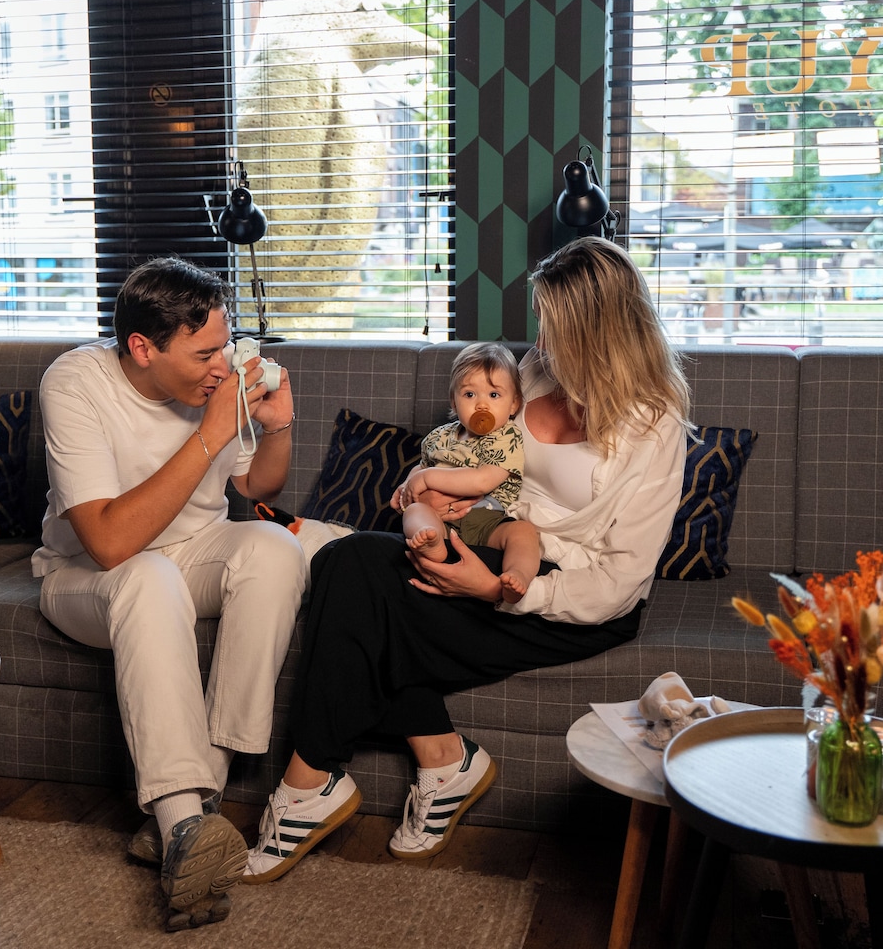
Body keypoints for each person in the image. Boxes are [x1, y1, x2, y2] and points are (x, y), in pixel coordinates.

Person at [242, 236, 692, 883]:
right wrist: (451, 500)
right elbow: (487, 458)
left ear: (600, 335)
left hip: (566, 591)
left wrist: (495, 590)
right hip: (490, 536)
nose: (541, 340)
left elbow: (620, 582)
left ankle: (311, 784)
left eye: (556, 326)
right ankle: (431, 762)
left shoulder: (655, 422)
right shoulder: (540, 367)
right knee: (347, 564)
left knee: (361, 586)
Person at [31, 256, 305, 930]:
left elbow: (256, 488)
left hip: (195, 553)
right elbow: (109, 543)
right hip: (85, 576)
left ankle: (199, 804)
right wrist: (212, 429)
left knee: (277, 548)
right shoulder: (75, 382)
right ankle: (182, 818)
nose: (221, 366)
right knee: (147, 577)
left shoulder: (219, 385)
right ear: (143, 347)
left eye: (224, 346)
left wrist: (276, 426)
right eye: (204, 353)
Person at [393, 341, 540, 604]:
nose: (481, 405)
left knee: (523, 532)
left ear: (514, 404)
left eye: (494, 395)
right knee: (414, 512)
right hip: (440, 520)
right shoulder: (439, 437)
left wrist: (427, 477)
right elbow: (421, 466)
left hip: (488, 520)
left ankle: (517, 575)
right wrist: (407, 485)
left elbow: (482, 481)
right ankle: (431, 542)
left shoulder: (506, 437)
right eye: (470, 394)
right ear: (454, 400)